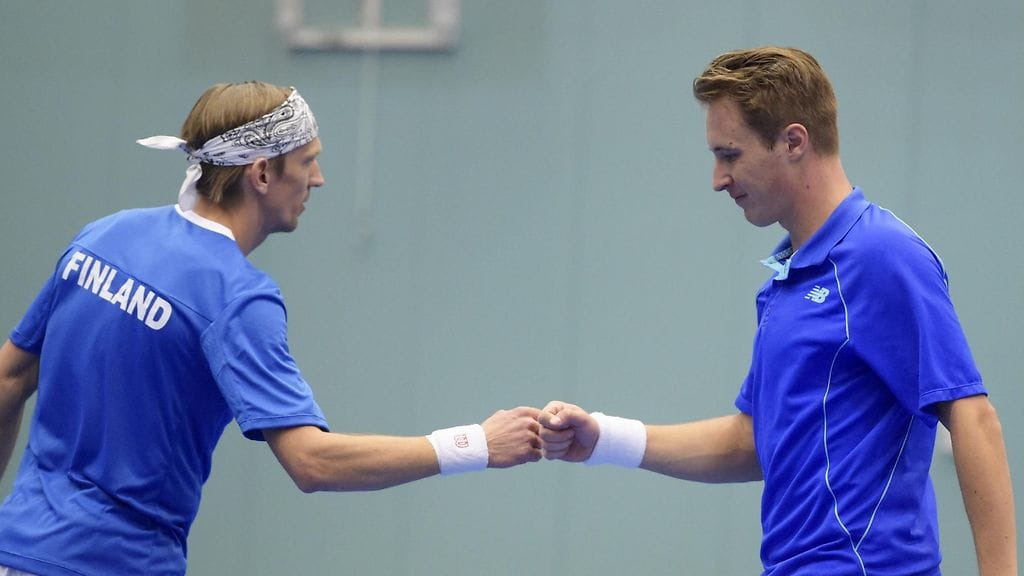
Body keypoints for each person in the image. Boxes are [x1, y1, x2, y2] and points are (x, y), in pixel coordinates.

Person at [0, 81, 543, 576]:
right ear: (261, 174)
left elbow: (9, 381)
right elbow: (312, 462)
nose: (319, 179)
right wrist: (478, 445)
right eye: (307, 162)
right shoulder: (238, 296)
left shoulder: (103, 235)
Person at [539, 47, 1017, 575]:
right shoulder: (786, 282)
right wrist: (604, 437)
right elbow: (753, 440)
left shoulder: (881, 255)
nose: (718, 179)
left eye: (731, 155)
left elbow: (972, 417)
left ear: (793, 141)